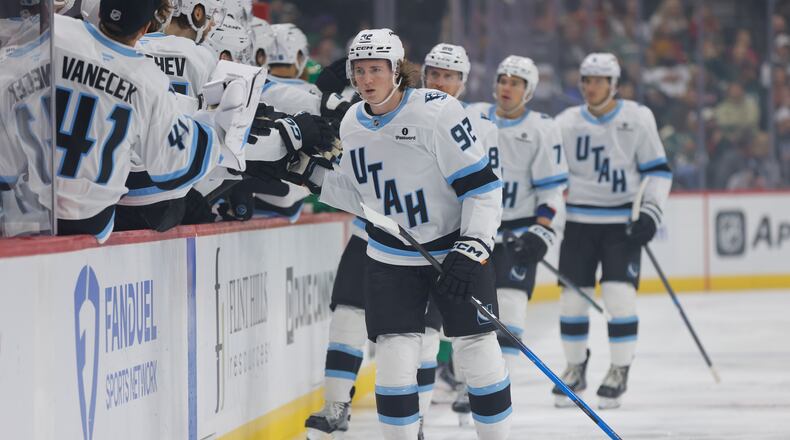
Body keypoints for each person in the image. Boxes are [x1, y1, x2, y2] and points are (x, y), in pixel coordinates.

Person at [293, 29, 511, 440]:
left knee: (477, 351)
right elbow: (361, 197)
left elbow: (482, 187)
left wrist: (474, 246)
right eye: (359, 71)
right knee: (393, 363)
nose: (366, 79)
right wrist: (310, 174)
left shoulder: (438, 111)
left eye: (376, 69)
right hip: (390, 257)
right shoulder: (353, 122)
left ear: (397, 70)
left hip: (454, 251)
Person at [48, 0, 263, 241]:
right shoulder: (148, 79)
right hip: (95, 216)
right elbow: (175, 168)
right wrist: (215, 134)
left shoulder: (58, 34)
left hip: (36, 203)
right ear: (145, 26)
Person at [553, 52, 672, 409]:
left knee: (619, 297)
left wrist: (650, 212)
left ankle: (619, 369)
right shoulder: (565, 122)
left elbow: (658, 171)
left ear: (614, 84)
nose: (591, 87)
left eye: (599, 80)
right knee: (572, 300)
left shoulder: (638, 118)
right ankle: (575, 366)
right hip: (579, 224)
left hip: (621, 225)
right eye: (586, 80)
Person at [421, 43, 502, 425]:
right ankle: (415, 419)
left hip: (460, 247)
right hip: (416, 247)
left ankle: (467, 385)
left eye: (449, 76)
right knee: (420, 334)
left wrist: (474, 245)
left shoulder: (483, 128)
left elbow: (489, 193)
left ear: (463, 82)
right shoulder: (404, 117)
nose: (440, 81)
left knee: (471, 336)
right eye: (434, 73)